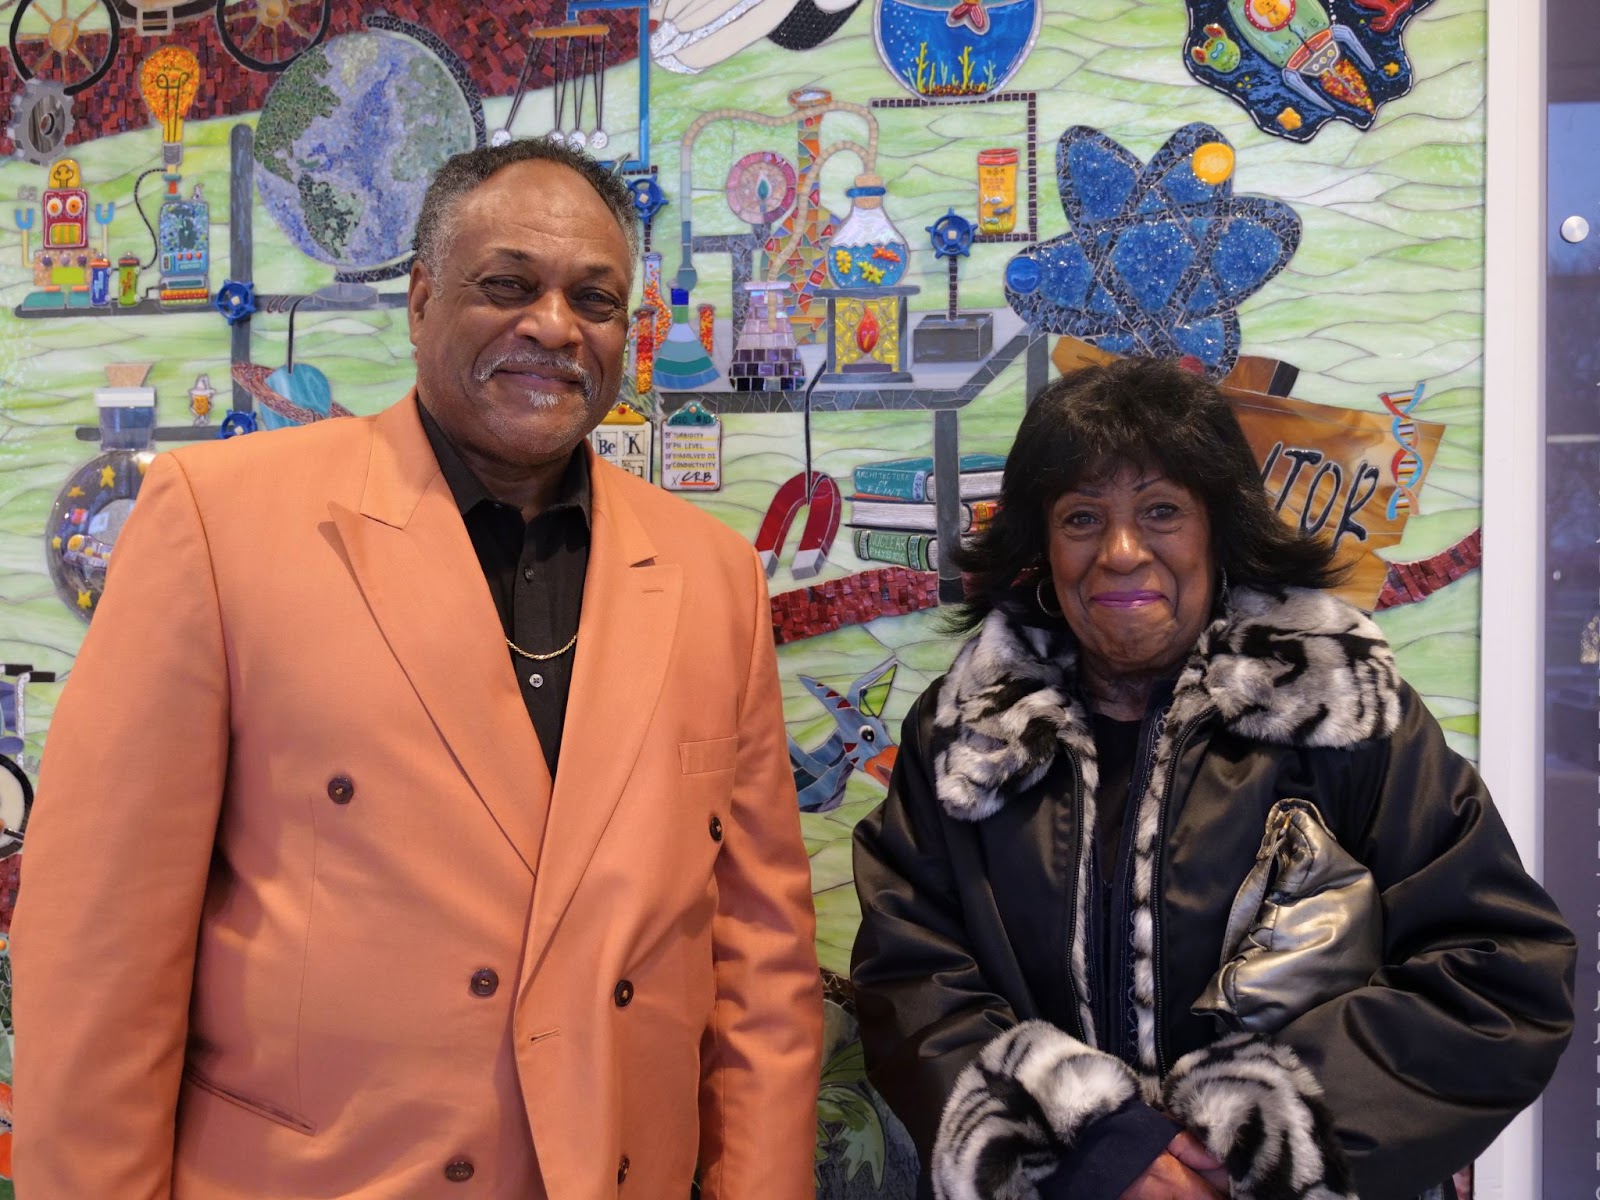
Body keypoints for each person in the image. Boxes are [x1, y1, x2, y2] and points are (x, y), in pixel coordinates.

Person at [13, 138, 822, 1199]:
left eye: (597, 298)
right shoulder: (217, 521)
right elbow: (96, 951)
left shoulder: (711, 573)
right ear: (419, 299)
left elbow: (759, 957)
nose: (553, 325)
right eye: (507, 286)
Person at [850, 357, 1575, 1200]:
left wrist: (1250, 1142)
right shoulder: (965, 730)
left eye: (1161, 511)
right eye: (1082, 517)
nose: (1121, 553)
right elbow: (910, 977)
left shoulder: (1340, 713)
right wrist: (1095, 1150)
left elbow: (1499, 972)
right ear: (1041, 548)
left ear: (1216, 530)